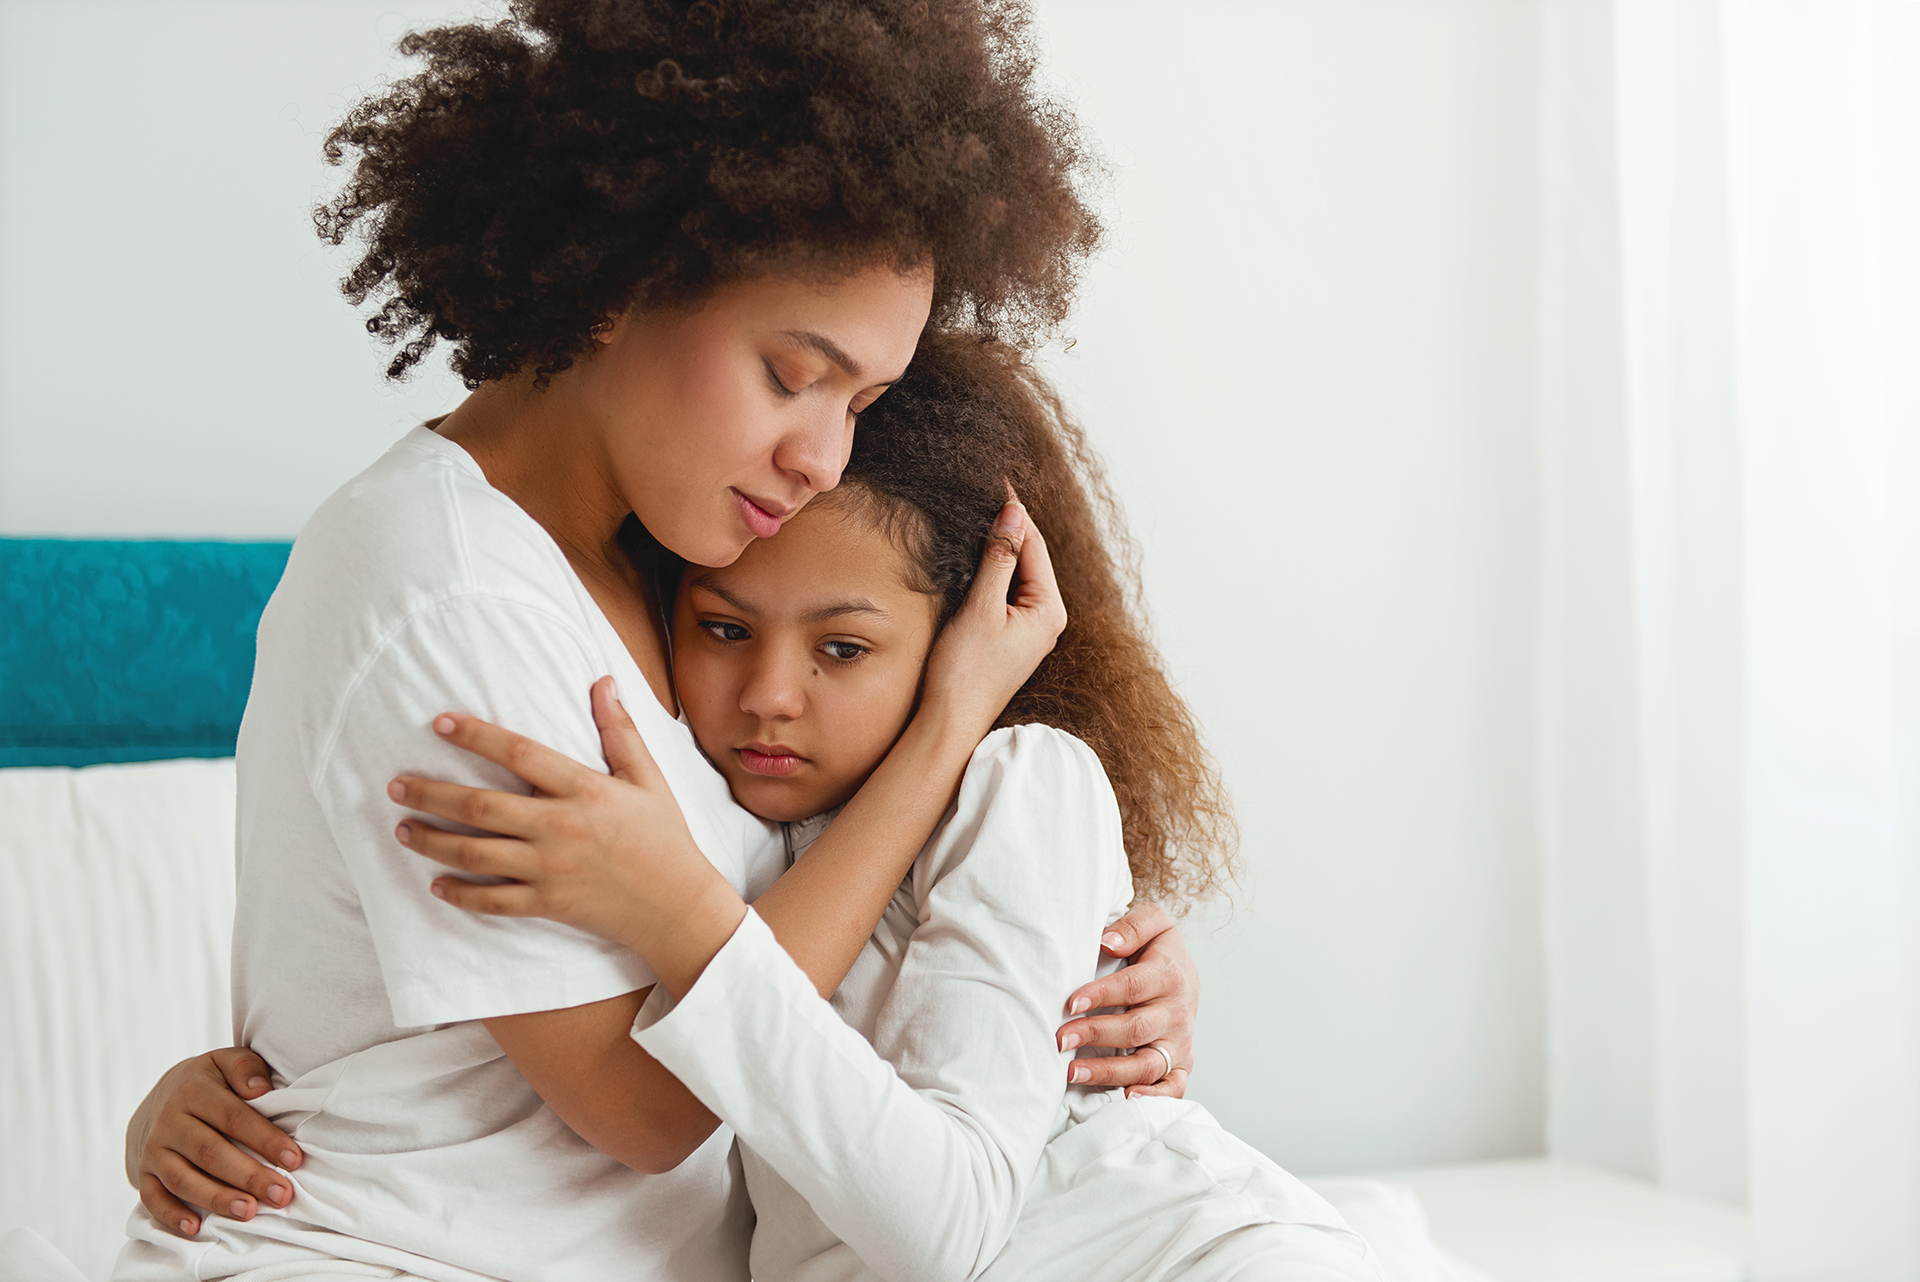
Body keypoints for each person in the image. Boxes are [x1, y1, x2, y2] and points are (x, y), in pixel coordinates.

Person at [115, 5, 1201, 1280]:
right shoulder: (448, 591)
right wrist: (951, 729)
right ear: (623, 278)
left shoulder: (677, 572)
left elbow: (800, 917)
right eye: (791, 374)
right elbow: (654, 1103)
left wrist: (1079, 960)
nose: (823, 454)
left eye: (859, 401)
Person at [325, 332, 1460, 1280]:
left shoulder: (1022, 782)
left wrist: (683, 914)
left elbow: (945, 1228)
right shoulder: (707, 824)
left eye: (845, 646)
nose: (770, 696)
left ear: (961, 638)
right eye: (723, 628)